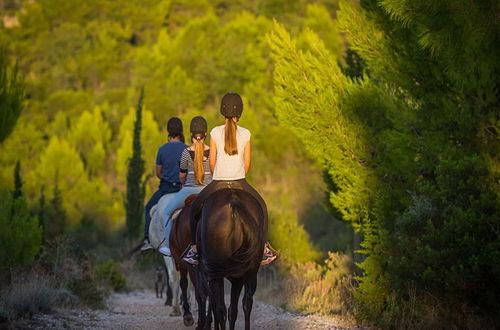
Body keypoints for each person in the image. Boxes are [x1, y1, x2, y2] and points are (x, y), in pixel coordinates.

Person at [182, 92, 277, 265]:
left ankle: (194, 249)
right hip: (240, 181)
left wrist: (219, 174)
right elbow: (247, 163)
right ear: (239, 113)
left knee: (195, 208)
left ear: (222, 111)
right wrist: (238, 173)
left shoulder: (215, 132)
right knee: (262, 207)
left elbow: (212, 162)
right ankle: (264, 248)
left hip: (218, 182)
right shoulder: (246, 133)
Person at [158, 116, 212, 256]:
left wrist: (183, 184)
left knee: (166, 212)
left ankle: (169, 247)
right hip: (208, 191)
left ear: (190, 134)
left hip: (188, 190)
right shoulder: (212, 152)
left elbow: (182, 176)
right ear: (205, 134)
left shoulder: (186, 152)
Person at [141, 117, 188, 251]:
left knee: (148, 208)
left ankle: (148, 240)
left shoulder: (162, 149)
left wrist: (167, 177)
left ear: (168, 131)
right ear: (181, 131)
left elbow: (158, 173)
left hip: (166, 189)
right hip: (182, 189)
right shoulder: (187, 149)